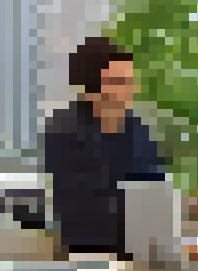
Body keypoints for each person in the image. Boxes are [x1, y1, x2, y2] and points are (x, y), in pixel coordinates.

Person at [41, 36, 167, 257]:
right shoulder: (65, 130)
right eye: (119, 82)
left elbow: (154, 188)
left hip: (142, 248)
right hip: (90, 255)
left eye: (130, 81)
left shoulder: (138, 129)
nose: (129, 89)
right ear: (91, 87)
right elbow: (83, 207)